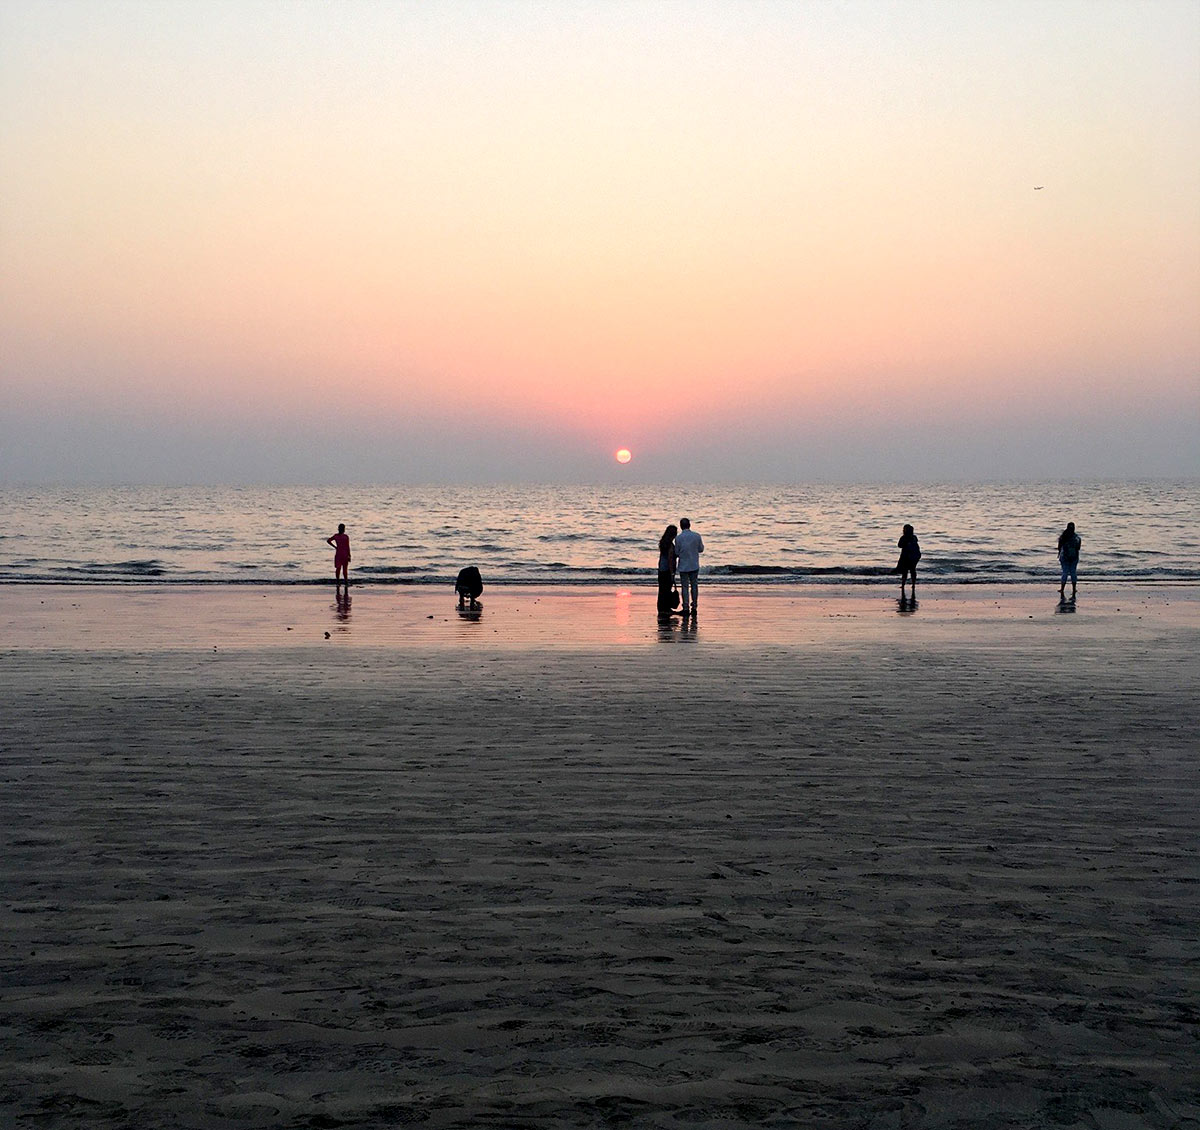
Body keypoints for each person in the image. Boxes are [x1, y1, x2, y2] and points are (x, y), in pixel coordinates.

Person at [674, 517, 704, 617]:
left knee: (685, 587)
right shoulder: (697, 536)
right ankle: (694, 606)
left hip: (683, 565)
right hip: (694, 564)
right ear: (689, 525)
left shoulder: (678, 538)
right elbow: (701, 549)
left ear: (681, 526)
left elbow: (677, 552)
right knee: (694, 586)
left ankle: (685, 607)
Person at [656, 525, 678, 617]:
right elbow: (670, 559)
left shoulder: (663, 543)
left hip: (661, 568)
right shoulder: (670, 545)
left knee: (662, 590)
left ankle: (661, 608)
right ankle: (666, 609)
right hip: (667, 569)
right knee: (667, 589)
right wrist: (672, 573)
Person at [1057, 521, 1081, 597]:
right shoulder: (1077, 538)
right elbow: (1078, 548)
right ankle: (1074, 589)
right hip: (1074, 557)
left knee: (1065, 572)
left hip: (1064, 557)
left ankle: (1062, 589)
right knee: (1073, 572)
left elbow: (1059, 547)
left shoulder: (1063, 537)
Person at [896, 524, 921, 589]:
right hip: (915, 556)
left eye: (904, 529)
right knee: (912, 570)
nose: (903, 530)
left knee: (905, 571)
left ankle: (903, 584)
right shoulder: (914, 537)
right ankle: (913, 584)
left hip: (907, 556)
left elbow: (899, 545)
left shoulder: (904, 537)